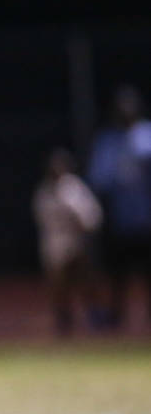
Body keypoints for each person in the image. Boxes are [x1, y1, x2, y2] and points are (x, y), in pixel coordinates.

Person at [85, 84, 151, 328]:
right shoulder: (108, 141)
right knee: (117, 274)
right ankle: (116, 317)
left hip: (147, 218)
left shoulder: (147, 135)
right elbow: (98, 178)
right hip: (120, 219)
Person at [32, 147, 103, 334]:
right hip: (55, 243)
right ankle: (63, 318)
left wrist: (82, 227)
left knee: (86, 280)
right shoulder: (44, 192)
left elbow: (92, 216)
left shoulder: (74, 188)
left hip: (76, 241)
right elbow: (41, 218)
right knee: (58, 285)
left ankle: (93, 314)